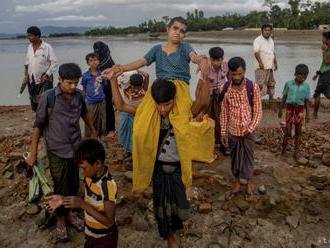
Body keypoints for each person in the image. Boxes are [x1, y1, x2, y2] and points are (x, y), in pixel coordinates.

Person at [103, 67, 211, 247]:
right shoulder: (147, 114)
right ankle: (170, 236)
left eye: (167, 104)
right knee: (161, 204)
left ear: (174, 100)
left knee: (178, 206)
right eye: (158, 104)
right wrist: (113, 79)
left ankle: (174, 232)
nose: (162, 109)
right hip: (158, 170)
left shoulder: (183, 113)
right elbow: (120, 106)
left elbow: (203, 101)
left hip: (177, 169)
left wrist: (205, 78)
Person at [25, 63, 96, 244]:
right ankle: (60, 220)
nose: (73, 86)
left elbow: (85, 114)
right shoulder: (48, 98)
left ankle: (70, 215)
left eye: (76, 83)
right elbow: (38, 126)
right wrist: (32, 154)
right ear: (60, 80)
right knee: (59, 185)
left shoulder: (79, 95)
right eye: (69, 83)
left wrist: (93, 131)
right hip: (56, 149)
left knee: (73, 183)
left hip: (75, 147)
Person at [45, 139, 118, 248]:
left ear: (97, 163)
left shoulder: (107, 186)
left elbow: (109, 222)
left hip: (104, 239)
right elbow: (85, 199)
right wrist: (63, 199)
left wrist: (82, 205)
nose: (83, 172)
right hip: (91, 233)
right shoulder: (89, 177)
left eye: (84, 168)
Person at [108, 16, 209, 84]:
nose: (178, 33)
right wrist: (120, 68)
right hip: (160, 88)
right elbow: (140, 62)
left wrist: (201, 60)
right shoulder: (156, 50)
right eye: (175, 28)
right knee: (145, 113)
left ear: (184, 35)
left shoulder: (185, 47)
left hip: (180, 88)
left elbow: (194, 57)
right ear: (168, 29)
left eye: (182, 31)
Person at [220, 57, 262, 200]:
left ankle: (249, 181)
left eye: (239, 74)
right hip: (233, 131)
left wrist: (250, 128)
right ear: (229, 73)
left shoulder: (252, 87)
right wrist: (224, 131)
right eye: (234, 74)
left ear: (244, 71)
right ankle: (237, 181)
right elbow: (224, 112)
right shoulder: (226, 89)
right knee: (235, 158)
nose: (237, 77)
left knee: (249, 157)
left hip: (248, 131)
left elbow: (257, 112)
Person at [196, 47, 229, 155]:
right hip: (208, 96)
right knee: (206, 119)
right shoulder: (206, 68)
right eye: (214, 60)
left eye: (218, 60)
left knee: (222, 120)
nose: (216, 63)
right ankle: (205, 144)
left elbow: (230, 81)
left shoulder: (225, 66)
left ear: (222, 59)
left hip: (220, 96)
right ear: (210, 59)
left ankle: (222, 144)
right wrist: (199, 103)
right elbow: (199, 88)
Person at [117, 70, 149, 167]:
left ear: (141, 85)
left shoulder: (143, 91)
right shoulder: (125, 89)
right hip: (126, 115)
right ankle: (128, 150)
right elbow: (118, 82)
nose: (135, 90)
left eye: (138, 87)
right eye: (134, 87)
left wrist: (139, 71)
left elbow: (147, 75)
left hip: (137, 117)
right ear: (130, 84)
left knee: (135, 134)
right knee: (124, 133)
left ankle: (134, 152)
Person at [278, 64, 311, 159]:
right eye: (300, 75)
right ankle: (283, 151)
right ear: (295, 74)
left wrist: (308, 114)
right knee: (288, 131)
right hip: (289, 108)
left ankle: (296, 152)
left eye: (305, 76)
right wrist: (280, 110)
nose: (302, 78)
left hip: (300, 110)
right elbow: (284, 97)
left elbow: (307, 101)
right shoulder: (288, 84)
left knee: (298, 131)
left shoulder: (306, 86)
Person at [23, 26, 57, 111]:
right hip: (32, 80)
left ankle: (47, 120)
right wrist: (26, 75)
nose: (28, 38)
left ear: (37, 36)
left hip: (44, 80)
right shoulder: (29, 47)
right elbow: (27, 62)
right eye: (28, 35)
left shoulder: (47, 47)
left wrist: (47, 74)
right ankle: (39, 119)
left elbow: (54, 63)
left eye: (30, 35)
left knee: (46, 102)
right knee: (34, 103)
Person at [93, 41, 117, 138]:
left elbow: (113, 78)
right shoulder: (98, 60)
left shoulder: (109, 62)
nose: (96, 53)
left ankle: (111, 129)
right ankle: (101, 128)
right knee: (98, 108)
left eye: (98, 51)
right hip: (99, 87)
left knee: (108, 107)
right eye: (95, 51)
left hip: (108, 87)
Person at [81, 53, 107, 137]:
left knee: (102, 120)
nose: (93, 62)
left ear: (99, 61)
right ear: (88, 63)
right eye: (91, 61)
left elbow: (104, 86)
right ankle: (89, 137)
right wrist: (84, 99)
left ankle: (100, 137)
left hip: (102, 100)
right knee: (91, 120)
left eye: (95, 60)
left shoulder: (102, 74)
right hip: (91, 102)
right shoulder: (85, 75)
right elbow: (84, 87)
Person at [254, 24, 278, 101]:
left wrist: (275, 63)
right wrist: (260, 63)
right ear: (262, 31)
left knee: (271, 83)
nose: (267, 32)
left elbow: (273, 52)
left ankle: (271, 99)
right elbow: (256, 52)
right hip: (261, 67)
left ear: (271, 31)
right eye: (265, 30)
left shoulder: (271, 40)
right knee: (260, 85)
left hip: (270, 66)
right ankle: (258, 101)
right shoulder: (257, 40)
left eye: (269, 30)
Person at [313, 31, 330, 118]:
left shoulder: (327, 50)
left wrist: (324, 51)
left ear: (328, 40)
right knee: (327, 93)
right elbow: (323, 64)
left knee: (317, 93)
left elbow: (327, 62)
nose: (322, 40)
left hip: (326, 74)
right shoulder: (327, 49)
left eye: (323, 38)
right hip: (324, 73)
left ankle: (314, 114)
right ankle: (315, 114)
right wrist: (317, 74)